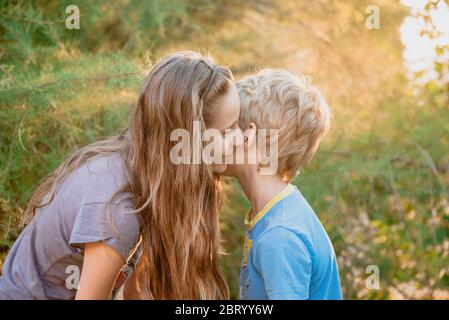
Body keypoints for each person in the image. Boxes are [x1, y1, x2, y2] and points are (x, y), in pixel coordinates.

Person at [0, 51, 241, 300]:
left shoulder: (145, 173)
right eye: (226, 131)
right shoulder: (116, 210)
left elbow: (135, 289)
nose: (239, 140)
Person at [226, 69, 342, 299]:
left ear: (248, 139)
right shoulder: (278, 213)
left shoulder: (279, 234)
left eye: (226, 128)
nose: (214, 139)